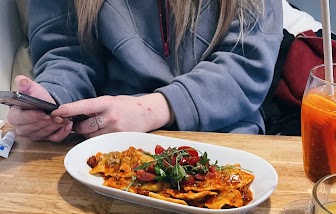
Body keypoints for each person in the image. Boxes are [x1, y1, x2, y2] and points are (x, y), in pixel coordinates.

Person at [8, 0, 283, 142]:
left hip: (223, 133)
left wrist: (152, 109)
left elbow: (245, 64)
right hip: (106, 137)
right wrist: (52, 98)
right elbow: (65, 53)